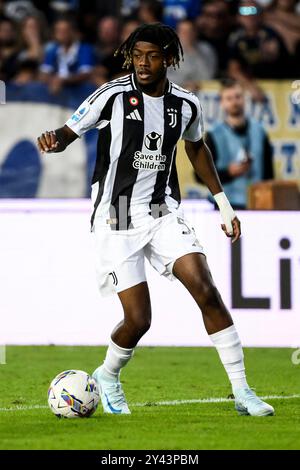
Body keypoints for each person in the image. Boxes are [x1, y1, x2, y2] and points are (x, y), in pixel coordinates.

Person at [37, 23, 274, 417]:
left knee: (206, 289)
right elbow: (67, 131)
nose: (143, 63)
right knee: (139, 319)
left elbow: (197, 150)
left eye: (152, 56)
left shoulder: (186, 104)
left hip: (163, 212)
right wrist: (53, 140)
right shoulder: (111, 96)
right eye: (137, 55)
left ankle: (243, 392)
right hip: (115, 218)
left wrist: (223, 203)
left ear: (169, 59)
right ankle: (109, 375)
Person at [196, 78, 274, 210]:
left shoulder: (259, 131)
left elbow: (269, 174)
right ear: (222, 103)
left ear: (244, 98)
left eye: (238, 96)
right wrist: (228, 173)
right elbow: (200, 175)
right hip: (225, 207)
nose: (234, 102)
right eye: (229, 98)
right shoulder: (214, 134)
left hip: (258, 205)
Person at [228, 0, 291, 101]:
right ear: (238, 17)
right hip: (253, 87)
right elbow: (233, 69)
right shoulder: (236, 38)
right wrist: (250, 85)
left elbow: (272, 57)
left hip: (280, 88)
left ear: (261, 15)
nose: (249, 16)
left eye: (254, 11)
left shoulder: (270, 34)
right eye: (244, 11)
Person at [40, 16, 94, 94]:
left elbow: (85, 74)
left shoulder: (84, 49)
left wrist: (63, 81)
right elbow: (44, 72)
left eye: (65, 31)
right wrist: (52, 80)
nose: (61, 34)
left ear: (73, 32)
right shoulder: (52, 50)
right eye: (58, 31)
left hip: (78, 95)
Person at [167, 19, 217, 91]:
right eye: (183, 32)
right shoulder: (169, 52)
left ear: (195, 33)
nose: (187, 35)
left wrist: (194, 51)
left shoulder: (206, 49)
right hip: (177, 91)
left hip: (203, 91)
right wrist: (185, 84)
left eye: (190, 31)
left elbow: (208, 75)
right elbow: (166, 78)